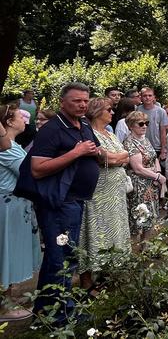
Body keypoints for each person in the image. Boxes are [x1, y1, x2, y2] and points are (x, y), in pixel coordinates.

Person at [17, 82, 101, 319]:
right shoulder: (52, 129)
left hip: (76, 199)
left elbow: (92, 148)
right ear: (62, 102)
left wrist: (95, 152)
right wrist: (76, 153)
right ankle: (61, 315)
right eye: (77, 101)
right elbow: (37, 168)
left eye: (85, 100)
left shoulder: (83, 123)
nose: (82, 104)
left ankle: (45, 311)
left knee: (60, 256)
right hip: (59, 202)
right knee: (62, 258)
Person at [78, 97, 131, 293]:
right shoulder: (88, 133)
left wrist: (117, 158)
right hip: (99, 193)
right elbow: (104, 158)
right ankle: (88, 280)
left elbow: (125, 156)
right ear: (97, 111)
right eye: (109, 109)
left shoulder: (109, 133)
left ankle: (109, 273)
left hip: (115, 195)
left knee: (114, 230)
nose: (112, 113)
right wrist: (117, 158)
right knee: (95, 231)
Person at [0, 104, 41, 321]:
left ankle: (8, 298)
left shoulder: (12, 144)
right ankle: (4, 307)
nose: (25, 119)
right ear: (8, 122)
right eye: (19, 116)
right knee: (7, 254)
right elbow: (26, 171)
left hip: (18, 206)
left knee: (12, 253)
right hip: (8, 207)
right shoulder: (4, 147)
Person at [123, 111, 165, 240]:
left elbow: (154, 158)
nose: (144, 126)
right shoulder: (130, 143)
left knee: (150, 216)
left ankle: (145, 248)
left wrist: (157, 172)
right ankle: (136, 249)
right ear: (131, 126)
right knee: (139, 217)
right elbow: (138, 169)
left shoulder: (145, 139)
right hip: (139, 186)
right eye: (140, 124)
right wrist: (157, 177)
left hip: (150, 184)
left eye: (146, 123)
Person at [137, 87, 168, 163]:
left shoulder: (161, 111)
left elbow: (163, 132)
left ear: (154, 97)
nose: (147, 98)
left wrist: (163, 150)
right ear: (141, 97)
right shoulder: (137, 110)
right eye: (145, 96)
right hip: (141, 147)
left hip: (156, 147)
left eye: (150, 95)